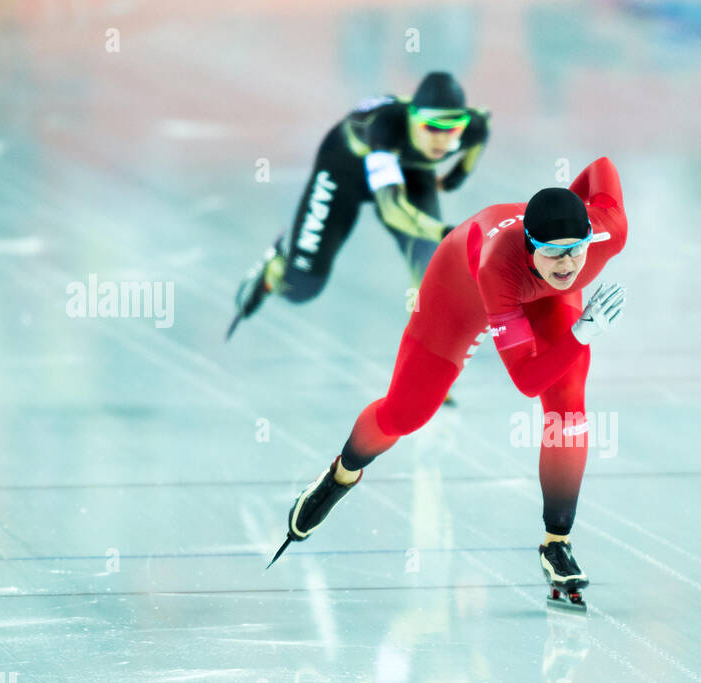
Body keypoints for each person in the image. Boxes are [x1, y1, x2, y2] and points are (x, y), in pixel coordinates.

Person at [267, 157, 629, 608]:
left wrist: (568, 208)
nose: (568, 263)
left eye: (575, 248)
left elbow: (601, 166)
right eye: (553, 252)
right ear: (531, 245)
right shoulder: (501, 266)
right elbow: (526, 380)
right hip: (460, 288)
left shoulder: (607, 230)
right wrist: (582, 332)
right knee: (406, 412)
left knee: (569, 404)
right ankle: (340, 476)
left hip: (544, 296)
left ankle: (557, 542)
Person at [227, 71, 490, 339]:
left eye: (453, 128)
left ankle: (427, 354)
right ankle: (274, 272)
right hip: (345, 170)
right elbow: (392, 209)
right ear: (412, 118)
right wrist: (444, 232)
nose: (443, 140)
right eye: (432, 127)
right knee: (302, 286)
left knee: (432, 272)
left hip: (409, 170)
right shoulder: (386, 127)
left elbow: (482, 128)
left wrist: (455, 178)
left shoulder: (474, 127)